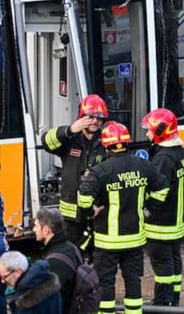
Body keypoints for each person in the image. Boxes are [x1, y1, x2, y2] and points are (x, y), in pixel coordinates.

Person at [78, 121, 168, 314]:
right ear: (127, 143)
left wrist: (91, 212)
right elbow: (163, 188)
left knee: (106, 282)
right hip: (135, 239)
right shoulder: (143, 165)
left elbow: (83, 197)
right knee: (133, 280)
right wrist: (149, 209)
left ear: (105, 145)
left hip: (107, 242)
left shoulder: (101, 170)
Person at [40, 94, 109, 250]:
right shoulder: (70, 140)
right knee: (72, 252)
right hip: (72, 213)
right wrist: (70, 130)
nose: (95, 121)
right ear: (81, 118)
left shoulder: (106, 140)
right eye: (90, 117)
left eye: (99, 118)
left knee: (97, 255)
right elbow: (46, 142)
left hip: (98, 210)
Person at [142, 108, 184, 307]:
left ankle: (162, 304)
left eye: (150, 130)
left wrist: (147, 209)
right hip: (176, 220)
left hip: (160, 223)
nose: (147, 134)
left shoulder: (163, 159)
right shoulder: (181, 152)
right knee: (174, 259)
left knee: (162, 263)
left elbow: (158, 191)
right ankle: (174, 300)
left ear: (161, 130)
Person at [33, 207, 81, 314]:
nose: (34, 229)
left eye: (36, 226)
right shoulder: (72, 247)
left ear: (46, 230)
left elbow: (54, 301)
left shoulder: (54, 262)